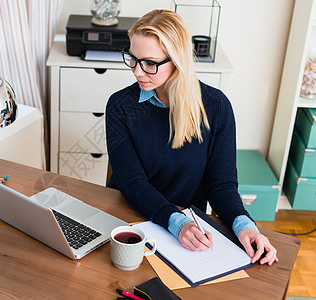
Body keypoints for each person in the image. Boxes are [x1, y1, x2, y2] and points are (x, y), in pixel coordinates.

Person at [105, 9, 278, 265]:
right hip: (129, 222)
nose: (137, 72)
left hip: (187, 233)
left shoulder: (216, 107)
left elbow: (221, 185)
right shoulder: (120, 106)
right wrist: (176, 222)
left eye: (150, 63)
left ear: (177, 60)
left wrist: (244, 226)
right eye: (133, 58)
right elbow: (132, 183)